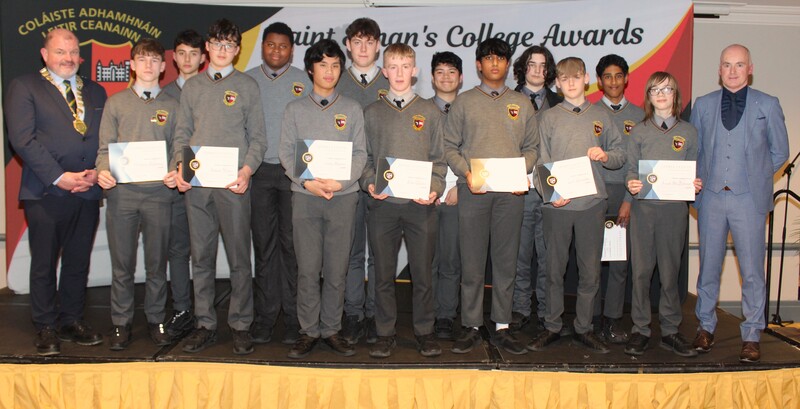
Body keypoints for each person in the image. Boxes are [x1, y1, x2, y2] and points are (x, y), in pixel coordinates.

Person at [166, 18, 267, 356]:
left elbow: (258, 138)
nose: (223, 50)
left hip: (232, 184)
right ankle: (205, 324)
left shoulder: (248, 86)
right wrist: (179, 166)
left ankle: (240, 324)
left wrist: (247, 171)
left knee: (239, 258)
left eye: (229, 45)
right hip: (197, 186)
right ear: (207, 47)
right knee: (201, 258)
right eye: (217, 44)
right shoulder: (192, 87)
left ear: (237, 50)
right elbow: (182, 133)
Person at [4, 28, 107, 356]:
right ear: (45, 54)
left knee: (78, 261)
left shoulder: (96, 91)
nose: (68, 58)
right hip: (46, 192)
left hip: (87, 190)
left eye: (74, 52)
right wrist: (59, 177)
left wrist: (98, 170)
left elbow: (104, 138)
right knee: (44, 263)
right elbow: (22, 140)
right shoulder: (25, 87)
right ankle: (45, 324)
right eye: (61, 52)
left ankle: (71, 320)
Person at [691, 44, 789, 363]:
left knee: (752, 272)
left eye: (739, 65)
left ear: (750, 68)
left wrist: (757, 177)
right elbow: (694, 150)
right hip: (711, 198)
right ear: (719, 69)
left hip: (749, 200)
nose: (732, 71)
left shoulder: (768, 104)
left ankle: (751, 335)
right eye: (726, 65)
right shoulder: (703, 105)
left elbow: (780, 151)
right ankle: (705, 327)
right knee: (708, 268)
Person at [443, 38, 538, 355]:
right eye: (488, 58)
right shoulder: (464, 102)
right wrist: (466, 172)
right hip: (474, 190)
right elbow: (449, 146)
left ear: (508, 65)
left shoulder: (522, 104)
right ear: (478, 65)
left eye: (500, 58)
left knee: (506, 261)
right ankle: (471, 325)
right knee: (471, 261)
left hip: (510, 194)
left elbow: (533, 148)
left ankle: (502, 326)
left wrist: (521, 172)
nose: (495, 63)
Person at [527, 57, 624, 354]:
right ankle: (552, 325)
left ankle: (584, 327)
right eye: (564, 78)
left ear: (586, 79)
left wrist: (606, 156)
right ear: (557, 82)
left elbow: (620, 154)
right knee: (553, 270)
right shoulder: (548, 118)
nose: (570, 82)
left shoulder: (602, 116)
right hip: (557, 205)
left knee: (590, 271)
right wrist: (551, 193)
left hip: (592, 204)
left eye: (576, 76)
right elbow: (539, 163)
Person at [280, 39, 367, 359]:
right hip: (306, 197)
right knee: (307, 268)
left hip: (343, 198)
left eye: (335, 65)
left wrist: (341, 182)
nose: (329, 71)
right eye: (322, 65)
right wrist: (307, 183)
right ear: (310, 70)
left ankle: (330, 329)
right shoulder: (295, 109)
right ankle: (308, 331)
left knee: (336, 268)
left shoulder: (352, 109)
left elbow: (361, 154)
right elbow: (286, 153)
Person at [361, 43, 446, 358]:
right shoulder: (372, 112)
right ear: (384, 71)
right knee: (383, 274)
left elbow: (439, 161)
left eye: (405, 66)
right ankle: (385, 332)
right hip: (383, 205)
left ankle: (425, 331)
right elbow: (365, 159)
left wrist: (434, 188)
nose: (399, 73)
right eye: (393, 67)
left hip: (420, 206)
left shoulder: (430, 112)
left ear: (415, 71)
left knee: (423, 273)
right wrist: (370, 183)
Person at [96, 38, 178, 350]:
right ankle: (121, 322)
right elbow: (104, 149)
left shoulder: (173, 105)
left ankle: (156, 319)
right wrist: (103, 170)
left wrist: (176, 168)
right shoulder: (115, 103)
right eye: (142, 59)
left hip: (159, 194)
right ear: (131, 65)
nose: (148, 65)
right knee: (122, 264)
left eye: (154, 60)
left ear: (162, 66)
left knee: (157, 264)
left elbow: (179, 147)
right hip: (123, 196)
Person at [624, 71, 702, 357]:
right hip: (644, 211)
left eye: (666, 89)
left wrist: (695, 183)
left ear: (675, 95)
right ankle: (640, 329)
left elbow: (694, 169)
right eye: (654, 90)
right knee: (641, 273)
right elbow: (631, 170)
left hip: (674, 212)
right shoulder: (639, 131)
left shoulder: (689, 132)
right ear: (648, 96)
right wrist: (631, 183)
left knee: (670, 274)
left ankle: (670, 331)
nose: (660, 94)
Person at [246, 22, 308, 346]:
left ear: (291, 50)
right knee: (264, 246)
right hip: (257, 174)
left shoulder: (304, 81)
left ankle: (295, 319)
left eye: (283, 46)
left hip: (292, 175)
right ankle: (266, 317)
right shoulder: (247, 81)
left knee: (292, 247)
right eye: (271, 45)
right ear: (262, 47)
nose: (276, 51)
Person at [338, 17, 389, 345]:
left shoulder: (391, 80)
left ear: (378, 46)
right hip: (346, 183)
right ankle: (354, 313)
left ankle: (375, 313)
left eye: (369, 42)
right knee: (353, 252)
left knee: (380, 254)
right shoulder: (336, 80)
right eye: (357, 41)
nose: (363, 48)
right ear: (347, 45)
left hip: (384, 181)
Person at [510, 45, 563, 333]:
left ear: (549, 71)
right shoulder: (507, 100)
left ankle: (545, 309)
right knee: (519, 253)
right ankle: (520, 308)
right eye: (532, 64)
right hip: (518, 187)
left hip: (552, 188)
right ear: (523, 67)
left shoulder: (560, 103)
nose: (538, 70)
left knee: (548, 255)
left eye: (543, 66)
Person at [591, 54, 644, 344]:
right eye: (607, 76)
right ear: (599, 81)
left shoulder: (639, 116)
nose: (613, 81)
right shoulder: (588, 113)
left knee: (618, 263)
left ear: (626, 79)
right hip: (593, 196)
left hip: (623, 196)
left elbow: (640, 163)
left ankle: (611, 321)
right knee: (591, 262)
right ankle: (591, 321)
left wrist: (628, 200)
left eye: (618, 75)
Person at [161, 29, 205, 340]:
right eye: (182, 53)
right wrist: (172, 170)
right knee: (178, 249)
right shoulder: (162, 96)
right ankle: (182, 308)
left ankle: (206, 313)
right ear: (174, 57)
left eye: (194, 53)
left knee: (205, 252)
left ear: (203, 58)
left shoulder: (212, 91)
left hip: (208, 184)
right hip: (175, 185)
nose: (187, 59)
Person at [429, 51, 463, 340]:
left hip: (457, 195)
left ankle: (445, 316)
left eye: (451, 71)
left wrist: (461, 186)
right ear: (432, 77)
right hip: (425, 194)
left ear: (460, 78)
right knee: (426, 260)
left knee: (451, 261)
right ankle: (425, 313)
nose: (446, 77)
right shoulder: (420, 109)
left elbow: (478, 150)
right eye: (440, 71)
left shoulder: (470, 109)